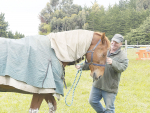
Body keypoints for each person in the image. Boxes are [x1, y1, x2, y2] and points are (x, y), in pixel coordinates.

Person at [76, 34, 128, 113]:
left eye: (116, 42)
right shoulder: (103, 50)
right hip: (97, 83)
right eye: (113, 41)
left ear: (121, 44)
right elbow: (93, 62)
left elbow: (122, 67)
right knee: (92, 101)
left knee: (109, 109)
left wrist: (112, 62)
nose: (113, 43)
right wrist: (81, 66)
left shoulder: (123, 56)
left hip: (110, 87)